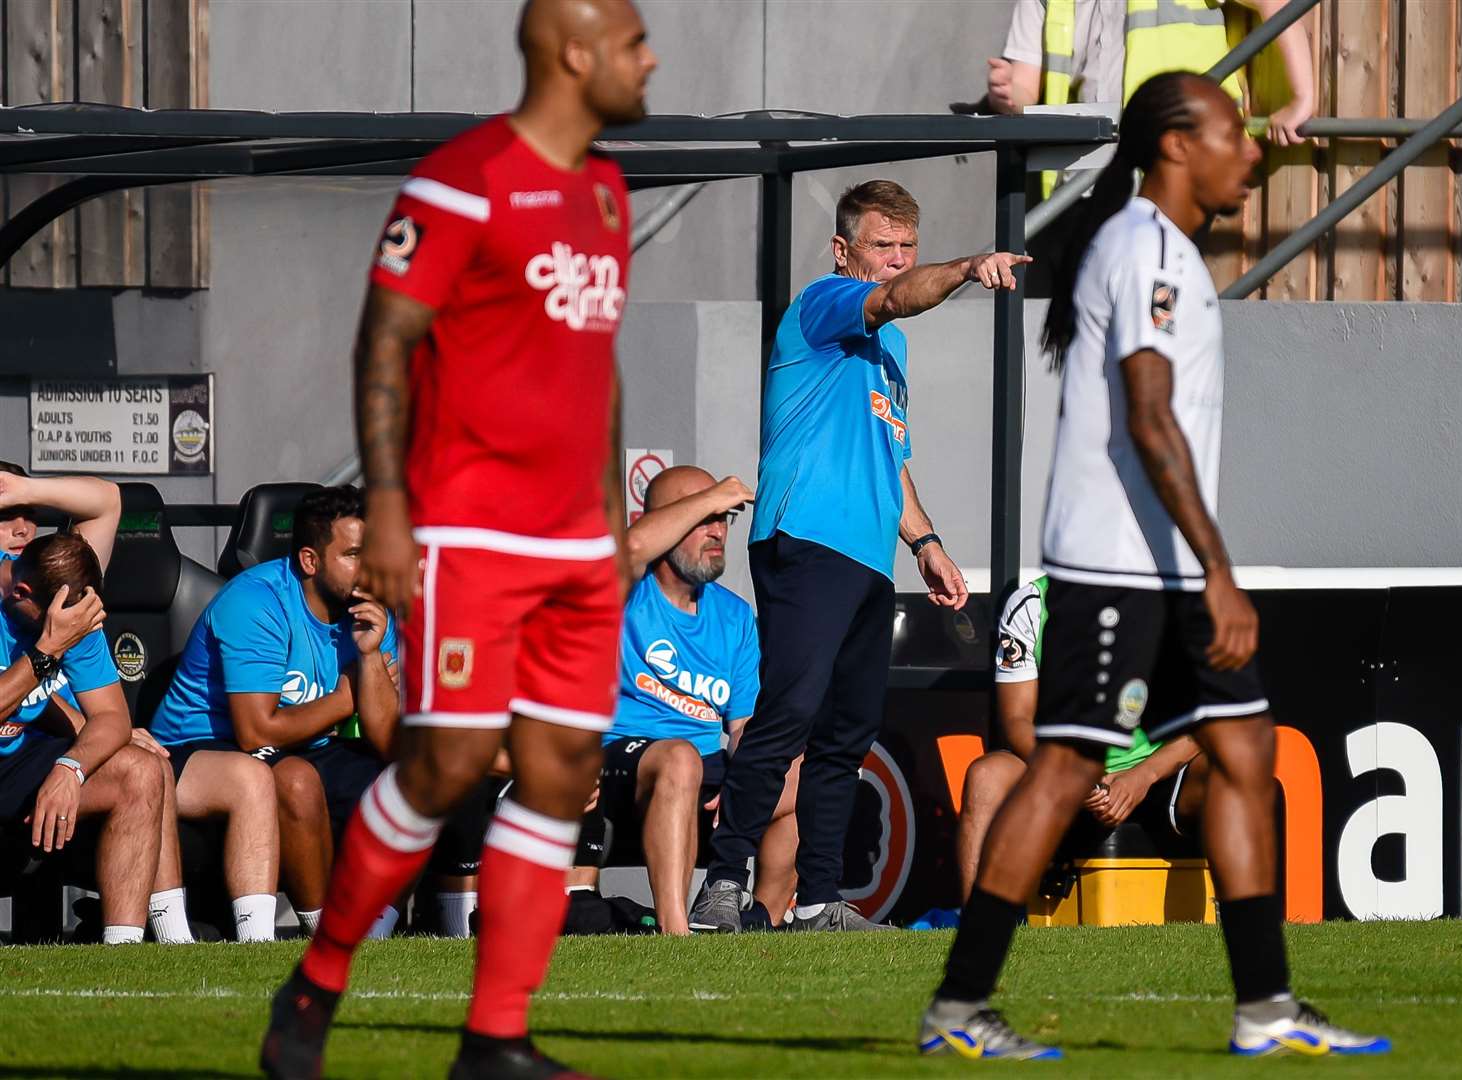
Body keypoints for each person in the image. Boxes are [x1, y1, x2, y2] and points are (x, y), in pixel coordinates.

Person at [918, 72, 1388, 1060]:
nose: (1250, 149)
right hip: (1118, 570)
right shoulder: (1145, 252)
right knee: (1060, 772)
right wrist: (1217, 569)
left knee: (1245, 756)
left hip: (1159, 572)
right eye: (1230, 132)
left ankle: (1262, 1006)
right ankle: (960, 1004)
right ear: (1176, 146)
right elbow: (1149, 416)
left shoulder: (1157, 249)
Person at [261, 2, 657, 1077]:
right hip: (469, 530)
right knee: (443, 769)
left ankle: (494, 1039)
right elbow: (384, 339)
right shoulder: (461, 179)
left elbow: (598, 360)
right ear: (575, 53)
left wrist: (611, 525)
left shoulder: (608, 190)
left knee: (560, 771)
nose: (649, 57)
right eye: (632, 41)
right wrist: (385, 501)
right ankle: (321, 974)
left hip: (574, 543)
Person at [687, 180, 1024, 935]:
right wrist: (969, 267)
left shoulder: (891, 352)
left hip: (870, 555)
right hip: (805, 538)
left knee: (848, 733)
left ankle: (819, 902)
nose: (897, 261)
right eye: (883, 246)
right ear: (844, 250)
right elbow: (897, 299)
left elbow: (888, 458)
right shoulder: (823, 302)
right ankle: (721, 886)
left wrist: (926, 542)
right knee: (791, 712)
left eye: (909, 246)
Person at [150, 486, 396, 938]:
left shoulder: (370, 608)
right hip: (201, 743)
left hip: (304, 740)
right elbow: (255, 731)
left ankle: (376, 931)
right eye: (354, 554)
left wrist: (370, 658)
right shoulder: (257, 602)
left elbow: (387, 740)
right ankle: (323, 932)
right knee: (297, 780)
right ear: (309, 561)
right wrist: (346, 698)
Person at [598, 466, 797, 933]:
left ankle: (754, 923)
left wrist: (747, 777)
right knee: (681, 760)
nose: (717, 531)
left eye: (723, 518)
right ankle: (675, 933)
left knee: (802, 770)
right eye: (703, 517)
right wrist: (710, 498)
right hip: (624, 756)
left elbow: (742, 724)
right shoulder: (623, 590)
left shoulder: (733, 613)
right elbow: (628, 548)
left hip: (706, 765)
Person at [958, 574, 1208, 897]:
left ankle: (1238, 930)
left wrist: (1141, 777)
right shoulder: (1031, 603)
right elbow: (1017, 720)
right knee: (985, 778)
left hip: (1152, 773)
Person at [0, 531, 170, 945]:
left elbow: (112, 717)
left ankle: (123, 954)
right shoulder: (54, 626)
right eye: (61, 623)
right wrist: (47, 648)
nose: (74, 631)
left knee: (141, 769)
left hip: (18, 758)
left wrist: (70, 768)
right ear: (22, 593)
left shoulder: (68, 609)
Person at [988, 0, 1316, 147]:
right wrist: (1007, 94)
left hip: (1174, 164)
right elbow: (1024, 91)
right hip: (1082, 174)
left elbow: (1275, 2)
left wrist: (1303, 97)